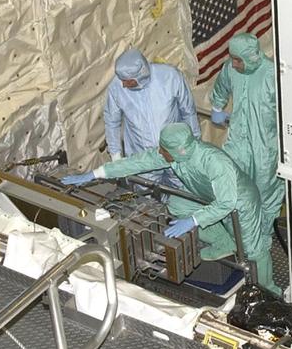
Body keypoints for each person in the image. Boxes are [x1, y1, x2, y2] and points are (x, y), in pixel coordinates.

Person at [62, 123, 278, 295]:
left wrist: (193, 220)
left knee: (253, 250)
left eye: (163, 149)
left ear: (179, 149)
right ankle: (224, 242)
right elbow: (137, 162)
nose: (159, 152)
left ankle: (270, 292)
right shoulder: (176, 154)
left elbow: (226, 203)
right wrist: (95, 174)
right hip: (209, 198)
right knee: (176, 204)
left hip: (240, 203)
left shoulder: (214, 162)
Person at [209, 33, 282, 230]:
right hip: (238, 140)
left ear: (251, 57)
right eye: (232, 59)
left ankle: (263, 232)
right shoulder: (230, 69)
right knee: (234, 182)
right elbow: (222, 86)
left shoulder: (273, 75)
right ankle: (237, 230)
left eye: (238, 60)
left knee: (265, 190)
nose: (234, 64)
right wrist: (217, 107)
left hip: (265, 146)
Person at [104, 49, 199, 189]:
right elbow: (112, 122)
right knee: (146, 198)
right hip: (143, 157)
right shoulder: (116, 88)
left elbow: (188, 111)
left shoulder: (170, 77)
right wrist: (116, 156)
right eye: (122, 80)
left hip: (175, 152)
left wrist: (194, 145)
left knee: (182, 192)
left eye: (128, 81)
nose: (123, 85)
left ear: (141, 74)